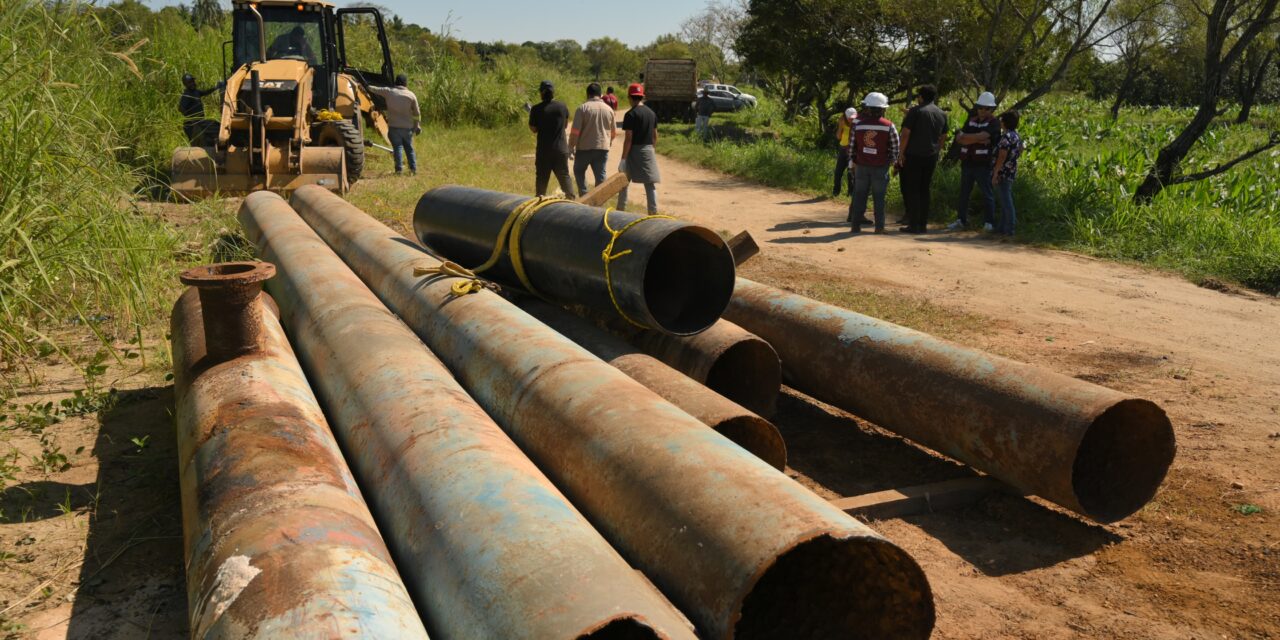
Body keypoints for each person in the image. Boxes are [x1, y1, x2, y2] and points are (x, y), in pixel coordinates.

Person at [896, 85, 949, 234]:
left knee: (913, 189)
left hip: (913, 155)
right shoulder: (941, 114)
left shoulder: (915, 111)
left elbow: (906, 133)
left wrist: (901, 153)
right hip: (931, 156)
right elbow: (944, 135)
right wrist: (937, 149)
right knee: (924, 190)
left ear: (921, 97)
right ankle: (923, 224)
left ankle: (913, 225)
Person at [948, 91, 1002, 231]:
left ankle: (989, 223)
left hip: (983, 164)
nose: (983, 111)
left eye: (987, 108)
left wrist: (969, 137)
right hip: (967, 163)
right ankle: (961, 220)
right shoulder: (971, 120)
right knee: (964, 193)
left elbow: (982, 135)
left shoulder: (995, 123)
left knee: (987, 194)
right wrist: (977, 138)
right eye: (980, 107)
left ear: (991, 109)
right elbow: (959, 138)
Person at [847, 92, 899, 234]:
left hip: (861, 166)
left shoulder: (858, 125)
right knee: (879, 197)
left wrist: (852, 162)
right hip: (880, 167)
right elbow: (895, 147)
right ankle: (879, 227)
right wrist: (892, 161)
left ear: (868, 108)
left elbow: (851, 147)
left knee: (859, 195)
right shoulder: (889, 126)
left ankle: (855, 227)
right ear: (883, 109)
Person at [617, 83, 661, 214]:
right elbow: (655, 135)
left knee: (623, 181)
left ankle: (620, 211)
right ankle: (653, 213)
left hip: (633, 151)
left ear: (630, 97)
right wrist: (651, 149)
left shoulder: (630, 114)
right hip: (648, 150)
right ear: (641, 97)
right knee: (650, 184)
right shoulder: (651, 113)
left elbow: (628, 139)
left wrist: (623, 159)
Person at [569, 82, 617, 197]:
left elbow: (575, 132)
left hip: (584, 149)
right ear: (600, 95)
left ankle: (584, 195)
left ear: (587, 94)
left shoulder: (582, 108)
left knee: (579, 171)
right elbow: (614, 132)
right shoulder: (609, 110)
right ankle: (598, 200)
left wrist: (571, 147)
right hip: (602, 148)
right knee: (600, 176)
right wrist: (608, 142)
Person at [528, 80, 574, 196]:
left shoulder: (536, 109)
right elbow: (565, 125)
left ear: (541, 93)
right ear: (553, 92)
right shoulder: (562, 106)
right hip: (561, 150)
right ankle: (572, 202)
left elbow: (533, 129)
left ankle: (539, 205)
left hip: (544, 151)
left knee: (542, 180)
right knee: (564, 176)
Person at [370, 74, 421, 176]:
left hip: (394, 127)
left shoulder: (389, 92)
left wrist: (364, 85)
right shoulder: (411, 95)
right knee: (409, 149)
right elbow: (417, 113)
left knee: (398, 149)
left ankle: (399, 170)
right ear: (406, 83)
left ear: (395, 82)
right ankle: (413, 169)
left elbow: (374, 89)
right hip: (407, 128)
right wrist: (417, 126)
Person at [991, 110, 1025, 236]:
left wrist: (996, 173)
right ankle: (1002, 227)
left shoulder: (1006, 137)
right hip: (1011, 170)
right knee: (1005, 199)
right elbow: (1021, 149)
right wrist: (1013, 159)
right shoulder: (1016, 135)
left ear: (1004, 122)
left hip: (1003, 172)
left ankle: (1009, 229)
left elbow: (1002, 156)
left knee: (1006, 201)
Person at [178, 73, 223, 146]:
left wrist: (216, 87)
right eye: (189, 82)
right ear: (185, 84)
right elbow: (180, 108)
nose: (192, 83)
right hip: (192, 125)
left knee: (214, 127)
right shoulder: (187, 95)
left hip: (200, 122)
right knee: (196, 144)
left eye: (193, 81)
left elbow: (205, 92)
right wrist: (191, 118)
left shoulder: (196, 92)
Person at [833, 107, 856, 197]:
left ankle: (850, 193)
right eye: (850, 117)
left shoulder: (857, 124)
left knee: (850, 172)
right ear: (845, 117)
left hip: (852, 150)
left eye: (854, 117)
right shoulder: (842, 122)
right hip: (843, 148)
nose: (852, 119)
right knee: (838, 171)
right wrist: (840, 126)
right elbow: (838, 137)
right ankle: (835, 192)